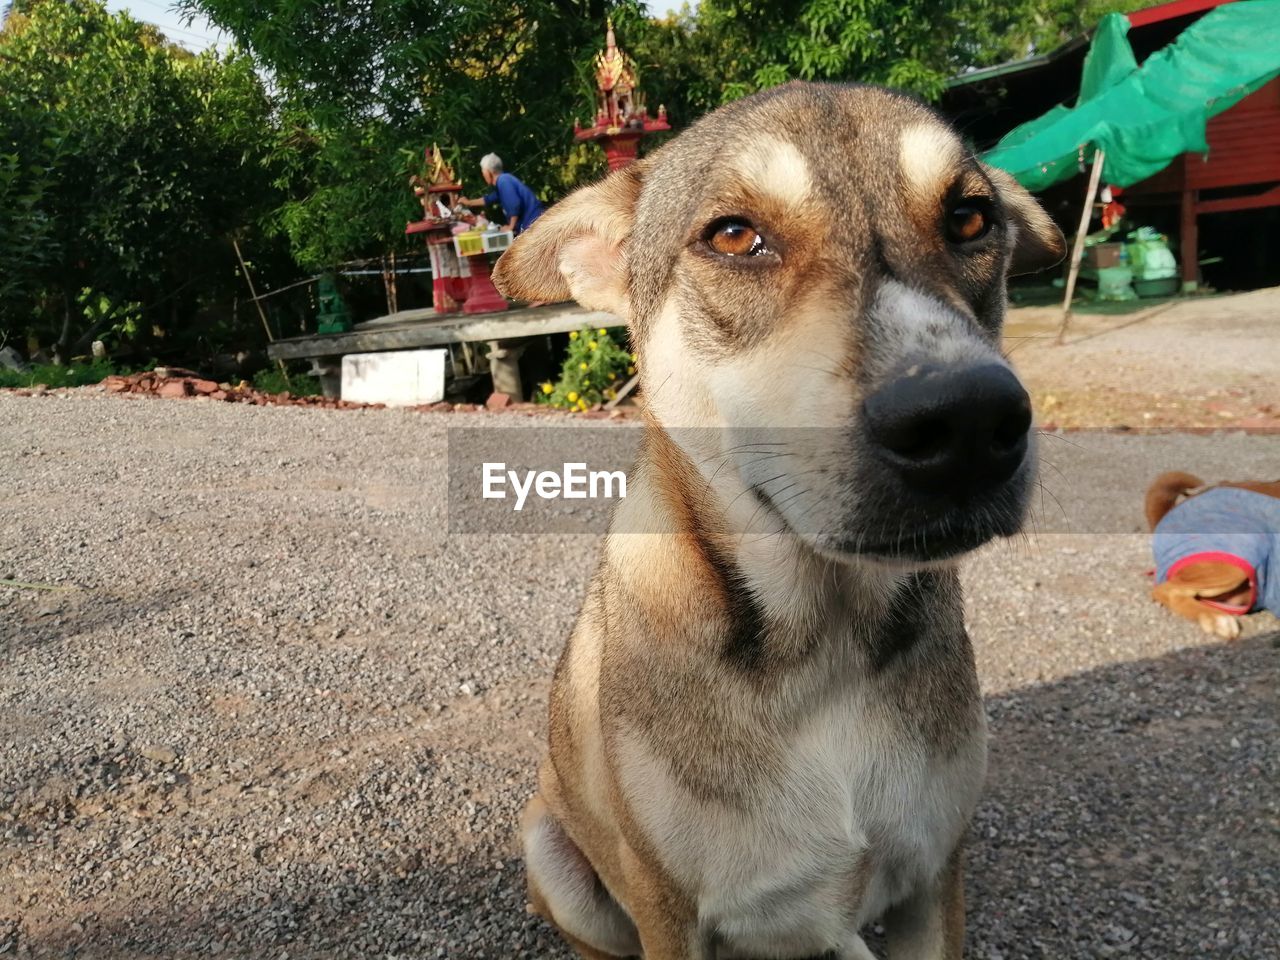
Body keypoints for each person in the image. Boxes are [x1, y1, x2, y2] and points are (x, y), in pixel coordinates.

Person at [459, 154, 544, 236]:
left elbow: (514, 204)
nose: (483, 175)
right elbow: (488, 199)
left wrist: (511, 226)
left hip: (534, 224)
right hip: (532, 224)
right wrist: (468, 202)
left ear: (489, 172)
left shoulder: (503, 181)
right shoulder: (502, 183)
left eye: (483, 172)